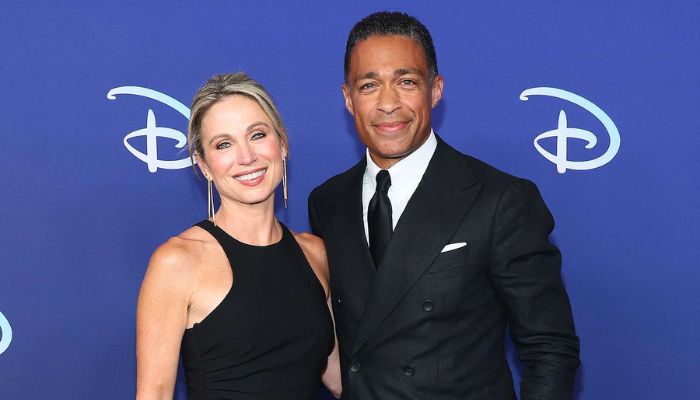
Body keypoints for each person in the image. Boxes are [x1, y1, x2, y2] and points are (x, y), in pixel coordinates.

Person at [308, 11, 580, 400]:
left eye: (406, 82)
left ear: (435, 90)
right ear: (348, 99)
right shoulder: (328, 202)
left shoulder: (500, 199)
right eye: (369, 85)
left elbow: (550, 349)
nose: (388, 103)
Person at [136, 72, 341, 400]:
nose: (246, 157)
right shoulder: (178, 262)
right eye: (224, 144)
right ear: (203, 164)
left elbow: (340, 377)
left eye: (257, 135)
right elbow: (155, 393)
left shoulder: (315, 253)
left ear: (282, 144)